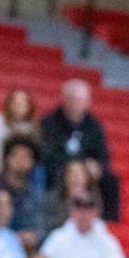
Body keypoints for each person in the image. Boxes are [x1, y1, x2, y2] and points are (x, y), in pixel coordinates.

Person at [41, 79, 120, 221]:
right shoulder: (49, 122)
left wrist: (97, 167)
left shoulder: (94, 126)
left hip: (86, 172)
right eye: (72, 100)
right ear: (65, 100)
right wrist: (72, 167)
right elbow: (47, 152)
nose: (76, 104)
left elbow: (103, 156)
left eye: (80, 100)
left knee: (111, 180)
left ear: (87, 103)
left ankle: (108, 221)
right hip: (59, 169)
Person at [40, 191, 129, 258]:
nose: (83, 214)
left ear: (96, 211)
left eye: (88, 209)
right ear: (71, 211)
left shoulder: (107, 240)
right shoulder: (56, 238)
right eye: (79, 208)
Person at [0, 135, 44, 250]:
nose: (21, 160)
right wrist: (12, 237)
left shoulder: (35, 193)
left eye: (26, 156)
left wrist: (34, 235)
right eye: (17, 155)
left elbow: (41, 226)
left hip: (27, 249)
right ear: (7, 158)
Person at [44, 159, 102, 234]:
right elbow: (48, 225)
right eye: (71, 173)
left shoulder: (93, 198)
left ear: (87, 178)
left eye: (80, 173)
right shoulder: (53, 198)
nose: (75, 177)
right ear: (65, 177)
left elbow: (96, 223)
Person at [0, 89, 39, 173]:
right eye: (15, 102)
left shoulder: (32, 128)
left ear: (29, 106)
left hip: (24, 173)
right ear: (8, 104)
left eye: (23, 103)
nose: (18, 105)